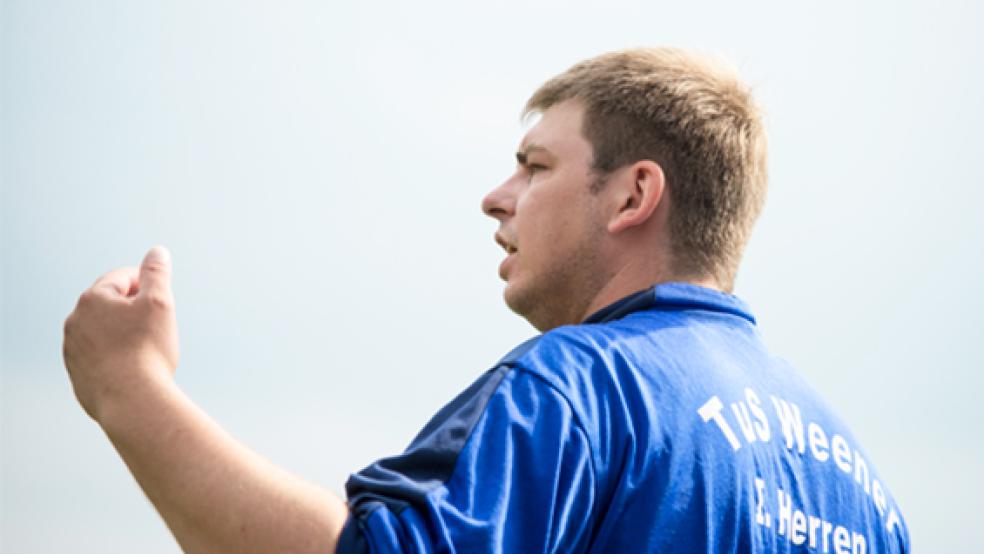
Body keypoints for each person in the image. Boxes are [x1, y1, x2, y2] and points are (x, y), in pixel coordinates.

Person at [63, 48, 910, 553]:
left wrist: (130, 389)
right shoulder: (865, 491)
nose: (496, 197)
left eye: (536, 167)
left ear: (631, 196)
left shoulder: (582, 389)